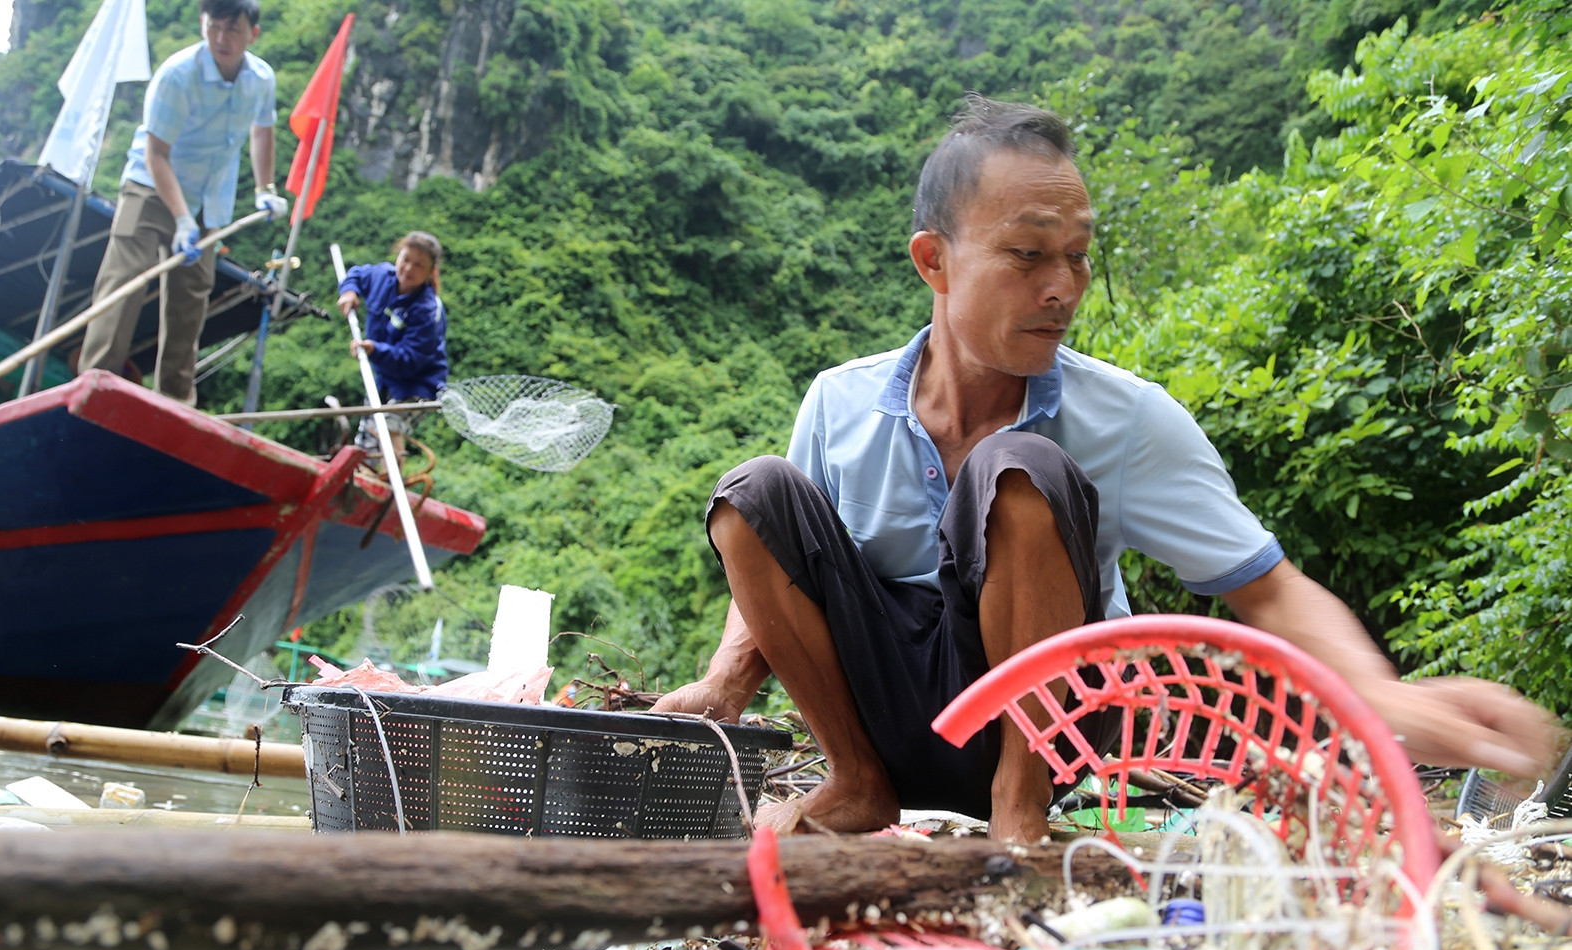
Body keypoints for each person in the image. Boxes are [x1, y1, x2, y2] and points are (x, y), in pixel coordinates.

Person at [651, 98, 1560, 843]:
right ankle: (854, 784)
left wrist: (1380, 692)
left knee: (1020, 470)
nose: (1063, 286)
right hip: (891, 719)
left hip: (1055, 731)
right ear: (934, 260)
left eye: (1078, 255)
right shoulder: (838, 403)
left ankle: (1018, 802)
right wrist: (729, 678)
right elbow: (774, 564)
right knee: (751, 491)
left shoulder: (1124, 417)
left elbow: (1269, 590)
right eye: (1027, 255)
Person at [77, 0, 286, 405]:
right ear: (203, 24)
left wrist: (266, 187)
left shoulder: (261, 78)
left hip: (210, 197)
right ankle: (95, 383)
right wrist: (180, 219)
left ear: (253, 33)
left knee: (191, 295)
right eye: (214, 27)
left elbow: (263, 130)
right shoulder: (178, 74)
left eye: (232, 29)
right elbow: (157, 154)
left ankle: (174, 401)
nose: (222, 39)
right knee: (126, 279)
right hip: (151, 186)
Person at [336, 231, 449, 459]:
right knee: (366, 444)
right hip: (383, 379)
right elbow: (356, 274)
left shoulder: (428, 310)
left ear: (430, 272)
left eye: (419, 265)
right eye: (405, 259)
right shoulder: (382, 277)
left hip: (417, 385)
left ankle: (391, 489)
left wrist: (374, 350)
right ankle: (363, 485)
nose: (408, 269)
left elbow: (410, 360)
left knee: (388, 427)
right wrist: (349, 292)